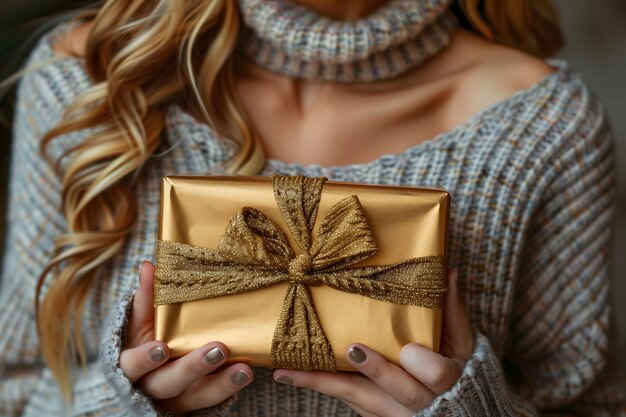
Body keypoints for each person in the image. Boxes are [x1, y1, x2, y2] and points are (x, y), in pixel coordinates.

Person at [1, 0, 625, 415]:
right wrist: (121, 405)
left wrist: (474, 410)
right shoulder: (90, 81)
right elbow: (13, 386)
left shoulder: (544, 129)